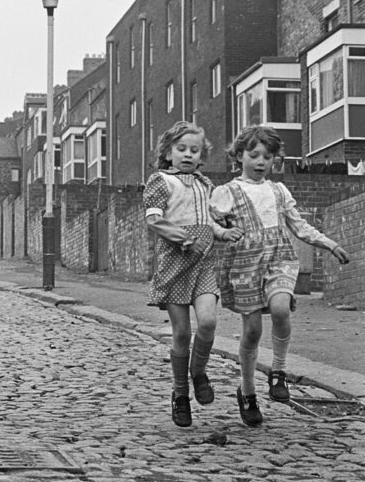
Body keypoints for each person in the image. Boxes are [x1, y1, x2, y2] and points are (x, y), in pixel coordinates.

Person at [211, 126, 350, 427]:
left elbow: (300, 227)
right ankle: (247, 392)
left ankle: (279, 371)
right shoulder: (226, 193)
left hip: (279, 258)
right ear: (238, 156)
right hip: (246, 264)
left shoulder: (278, 190)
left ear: (275, 159)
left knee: (280, 309)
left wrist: (329, 243)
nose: (261, 162)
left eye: (268, 156)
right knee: (251, 332)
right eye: (254, 155)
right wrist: (222, 232)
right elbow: (208, 225)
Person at [143, 121, 243, 428]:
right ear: (168, 151)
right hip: (175, 263)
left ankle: (198, 372)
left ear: (202, 155)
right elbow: (154, 220)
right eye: (181, 149)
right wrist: (186, 240)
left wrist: (223, 234)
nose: (187, 155)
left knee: (209, 322)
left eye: (194, 150)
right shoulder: (160, 181)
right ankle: (181, 393)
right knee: (182, 334)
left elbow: (206, 221)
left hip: (202, 265)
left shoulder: (205, 185)